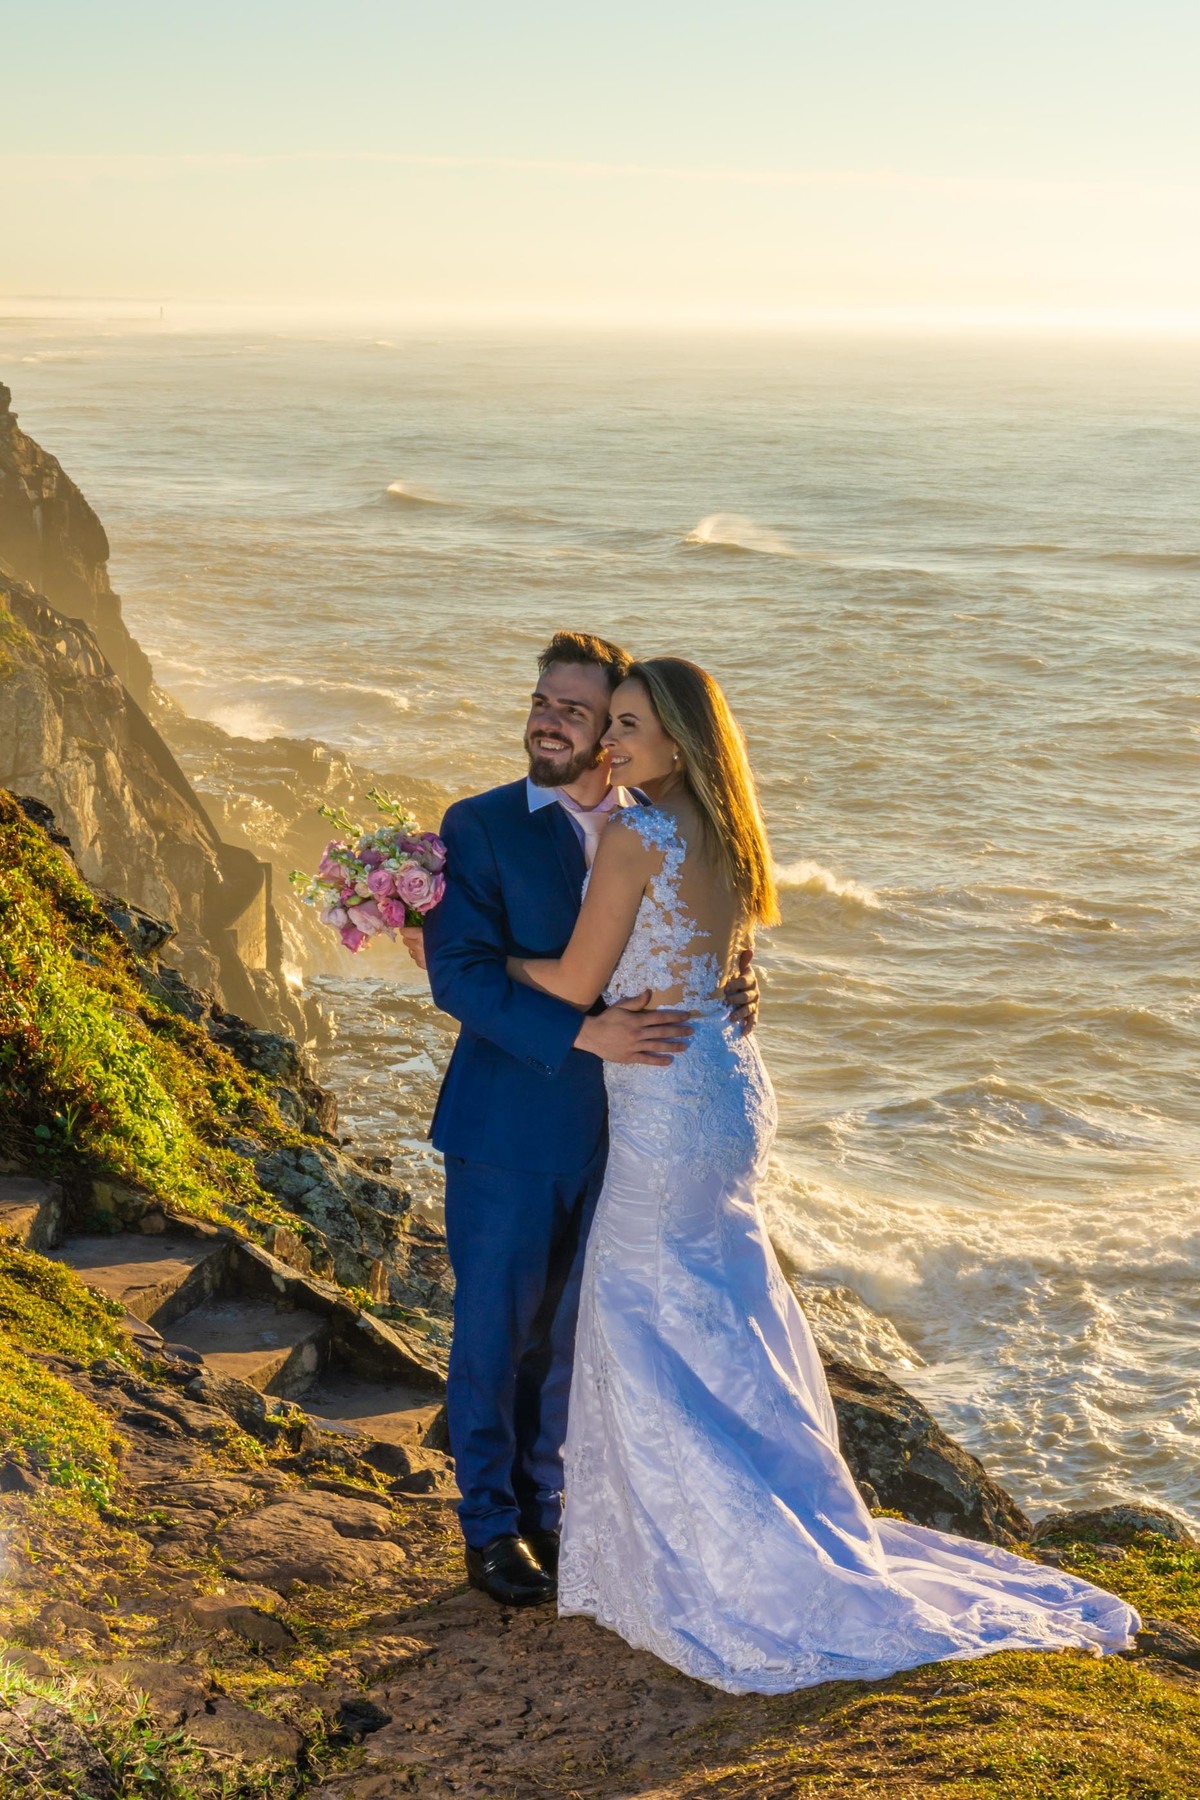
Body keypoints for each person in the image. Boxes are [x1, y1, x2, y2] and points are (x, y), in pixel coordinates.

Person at [507, 655, 1139, 1693]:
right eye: (607, 724)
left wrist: (466, 955)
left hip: (665, 1098)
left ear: (679, 744)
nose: (612, 743)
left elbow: (578, 982)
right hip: (728, 1088)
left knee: (645, 1307)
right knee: (725, 1299)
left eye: (630, 726)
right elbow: (719, 961)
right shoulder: (728, 836)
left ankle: (705, 1559)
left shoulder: (635, 834)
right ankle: (759, 1515)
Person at [419, 632, 758, 1608]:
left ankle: (554, 1511)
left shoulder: (654, 822)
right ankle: (490, 1528)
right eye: (542, 700)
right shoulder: (477, 825)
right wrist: (585, 1036)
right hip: (508, 1126)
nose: (550, 720)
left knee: (577, 1339)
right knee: (493, 1333)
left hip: (634, 1128)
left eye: (578, 709)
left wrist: (738, 978)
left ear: (616, 730)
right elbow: (459, 980)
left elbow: (692, 935)